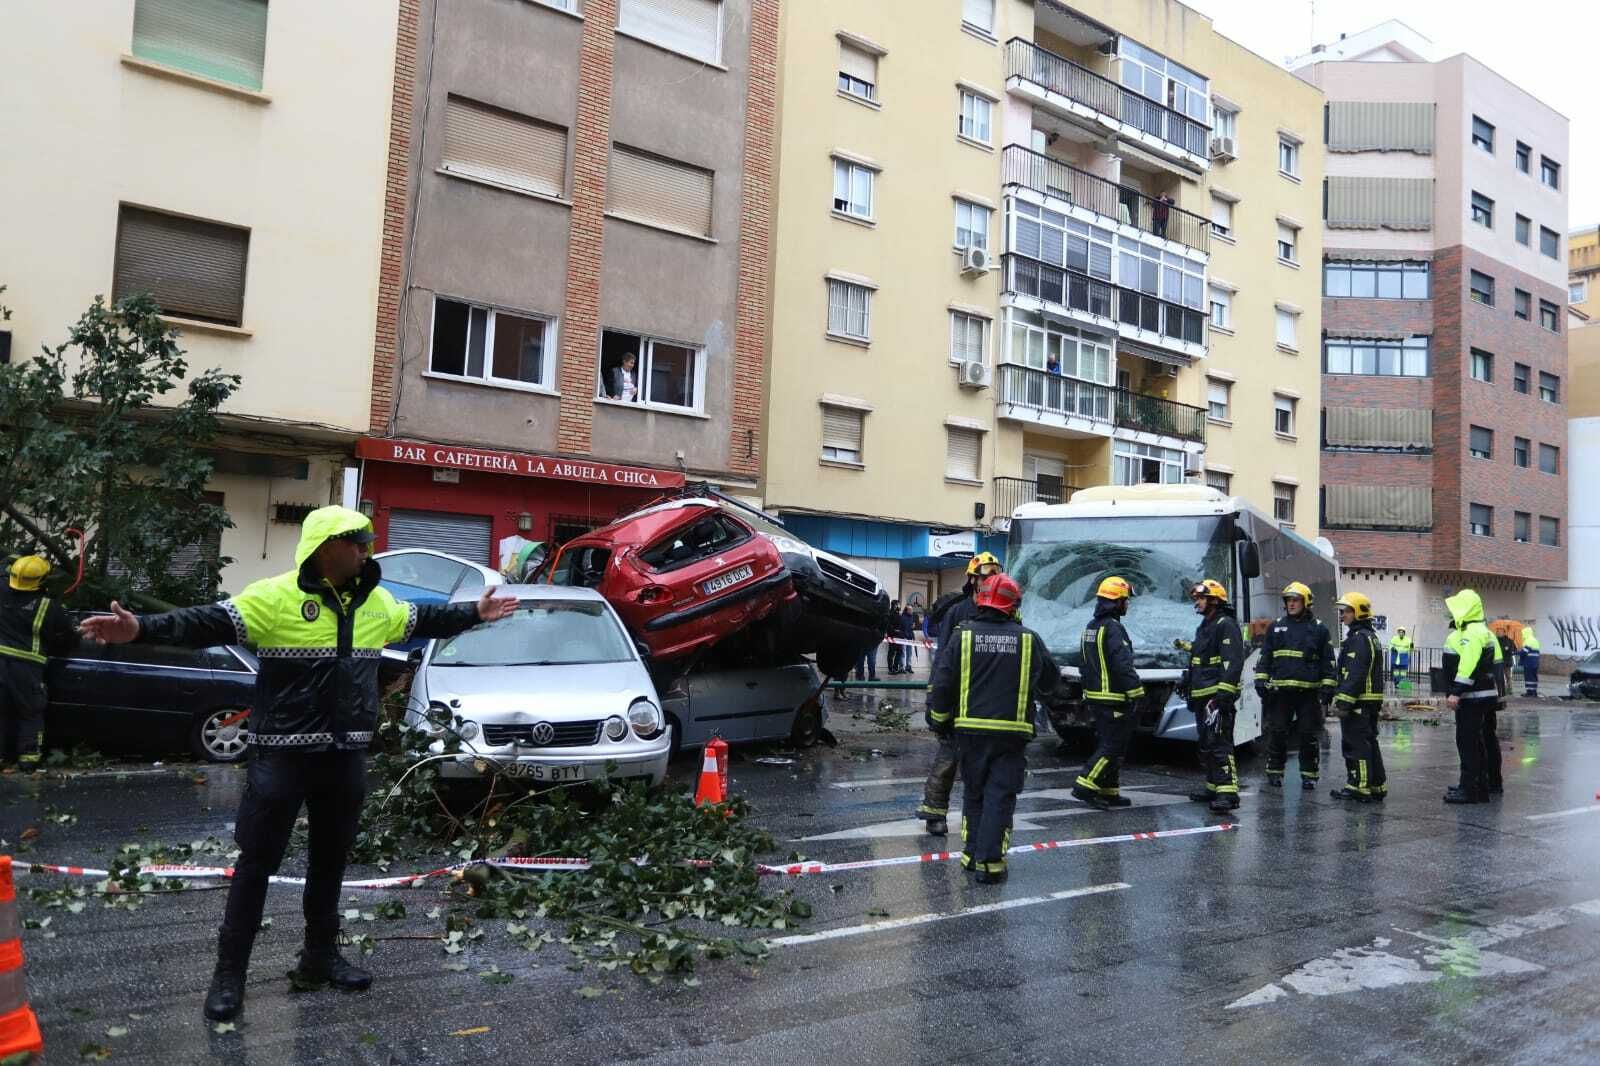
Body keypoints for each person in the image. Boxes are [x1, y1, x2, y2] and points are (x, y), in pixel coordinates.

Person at [79, 506, 517, 1021]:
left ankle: (319, 957)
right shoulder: (274, 598)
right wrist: (141, 629)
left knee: (329, 863)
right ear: (325, 546)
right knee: (256, 865)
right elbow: (205, 622)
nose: (367, 547)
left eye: (368, 538)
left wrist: (474, 614)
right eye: (357, 539)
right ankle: (229, 977)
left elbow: (423, 618)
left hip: (344, 756)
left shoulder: (376, 601)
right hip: (281, 758)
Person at [926, 573, 1062, 884]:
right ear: (1013, 606)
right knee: (999, 796)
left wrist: (940, 719)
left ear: (982, 602)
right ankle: (989, 863)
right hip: (1011, 735)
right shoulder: (1029, 639)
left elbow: (944, 683)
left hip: (969, 733)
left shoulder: (963, 636)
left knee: (974, 794)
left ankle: (971, 855)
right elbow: (1051, 683)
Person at [916, 553, 1003, 833]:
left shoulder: (1006, 610)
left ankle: (977, 820)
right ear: (972, 580)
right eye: (984, 577)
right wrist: (935, 700)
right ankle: (934, 813)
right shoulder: (959, 612)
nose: (989, 582)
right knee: (947, 759)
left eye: (993, 577)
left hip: (987, 700)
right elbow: (943, 661)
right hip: (957, 700)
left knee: (984, 767)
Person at [1252, 581, 1335, 790]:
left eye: (1295, 600)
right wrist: (1261, 679)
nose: (1291, 604)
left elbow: (1328, 661)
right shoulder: (1276, 627)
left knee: (1308, 734)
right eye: (1288, 600)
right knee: (1277, 732)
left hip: (1308, 694)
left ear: (1306, 602)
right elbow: (1266, 657)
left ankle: (1309, 775)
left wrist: (1327, 688)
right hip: (1280, 693)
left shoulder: (1319, 630)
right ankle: (1274, 772)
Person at [1072, 576, 1144, 810]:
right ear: (1117, 602)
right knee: (1112, 746)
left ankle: (1109, 791)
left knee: (1111, 745)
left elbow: (1083, 663)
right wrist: (1136, 693)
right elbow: (1122, 664)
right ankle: (1085, 785)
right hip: (1113, 699)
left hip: (1095, 698)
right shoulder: (1113, 628)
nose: (1127, 605)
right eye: (1125, 600)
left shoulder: (1091, 628)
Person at [0, 556, 79, 769]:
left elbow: (3, 565)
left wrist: (19, 555)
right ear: (42, 581)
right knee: (30, 713)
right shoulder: (49, 607)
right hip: (26, 667)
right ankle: (28, 763)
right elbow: (71, 638)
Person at [1183, 579, 1245, 814]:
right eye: (1196, 599)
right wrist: (1188, 685)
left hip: (1216, 696)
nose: (1197, 602)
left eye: (1201, 598)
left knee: (1220, 744)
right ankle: (1214, 787)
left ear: (1214, 600)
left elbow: (1233, 662)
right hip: (1202, 695)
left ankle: (1228, 793)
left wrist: (1223, 696)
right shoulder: (1204, 626)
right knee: (1207, 744)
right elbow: (1198, 661)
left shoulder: (1225, 624)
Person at [1440, 589, 1503, 805]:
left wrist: (1456, 692)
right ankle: (1478, 786)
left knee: (1468, 744)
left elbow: (1469, 664)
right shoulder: (1479, 630)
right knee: (1476, 743)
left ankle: (1471, 790)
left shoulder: (1473, 633)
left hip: (1473, 697)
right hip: (1481, 696)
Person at [1329, 592, 1387, 802]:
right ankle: (1377, 785)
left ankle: (1359, 786)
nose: (1342, 615)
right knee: (1369, 742)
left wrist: (1343, 701)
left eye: (1346, 611)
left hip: (1358, 701)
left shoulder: (1358, 639)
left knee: (1356, 745)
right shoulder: (1369, 637)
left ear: (1358, 612)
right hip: (1368, 701)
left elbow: (1354, 673)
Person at [1520, 621, 1541, 697]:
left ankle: (1529, 692)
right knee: (1534, 677)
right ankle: (1534, 692)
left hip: (1528, 663)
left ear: (1526, 633)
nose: (1522, 635)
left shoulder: (1528, 640)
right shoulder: (1535, 640)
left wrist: (1518, 652)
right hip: (1535, 663)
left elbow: (1524, 652)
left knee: (1528, 678)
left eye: (1523, 633)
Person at [885, 600, 903, 675]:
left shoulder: (898, 614)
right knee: (891, 653)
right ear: (894, 605)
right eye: (898, 604)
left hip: (899, 637)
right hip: (892, 636)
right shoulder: (890, 613)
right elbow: (888, 625)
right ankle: (890, 668)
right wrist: (894, 631)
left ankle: (895, 667)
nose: (899, 606)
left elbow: (900, 624)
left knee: (899, 652)